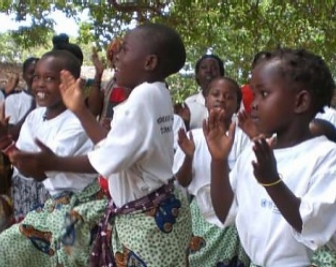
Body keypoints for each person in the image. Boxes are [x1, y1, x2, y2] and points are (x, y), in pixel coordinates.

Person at [10, 23, 192, 267]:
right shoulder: (158, 95)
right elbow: (112, 146)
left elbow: (105, 158)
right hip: (159, 209)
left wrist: (52, 162)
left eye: (124, 50)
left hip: (147, 220)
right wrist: (80, 109)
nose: (116, 56)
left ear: (149, 62)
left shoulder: (142, 99)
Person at [204, 48, 336, 266]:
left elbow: (310, 226)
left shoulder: (326, 155)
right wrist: (218, 161)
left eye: (263, 94)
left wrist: (271, 181)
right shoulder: (253, 153)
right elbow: (224, 212)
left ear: (300, 102)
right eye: (253, 94)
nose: (253, 103)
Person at [0, 50, 106, 266]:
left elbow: (39, 168)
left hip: (81, 205)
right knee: (7, 245)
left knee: (70, 258)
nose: (39, 84)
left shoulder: (77, 122)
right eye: (36, 76)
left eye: (50, 78)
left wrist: (7, 146)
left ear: (73, 84)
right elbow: (29, 168)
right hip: (56, 202)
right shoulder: (35, 117)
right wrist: (7, 144)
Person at [174, 76, 250, 266]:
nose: (221, 99)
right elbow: (183, 181)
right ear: (205, 100)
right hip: (198, 214)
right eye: (215, 94)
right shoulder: (193, 137)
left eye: (229, 97)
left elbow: (246, 180)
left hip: (232, 217)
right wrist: (189, 156)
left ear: (238, 105)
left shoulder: (243, 138)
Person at [4, 57, 48, 223]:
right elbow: (12, 134)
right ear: (23, 75)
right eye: (32, 74)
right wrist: (32, 107)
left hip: (45, 178)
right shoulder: (13, 101)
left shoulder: (50, 102)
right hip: (22, 177)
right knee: (25, 225)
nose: (36, 79)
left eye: (41, 75)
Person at [185, 54, 225, 130]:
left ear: (221, 75)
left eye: (214, 68)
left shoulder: (231, 101)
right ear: (197, 75)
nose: (209, 71)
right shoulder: (188, 104)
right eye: (204, 67)